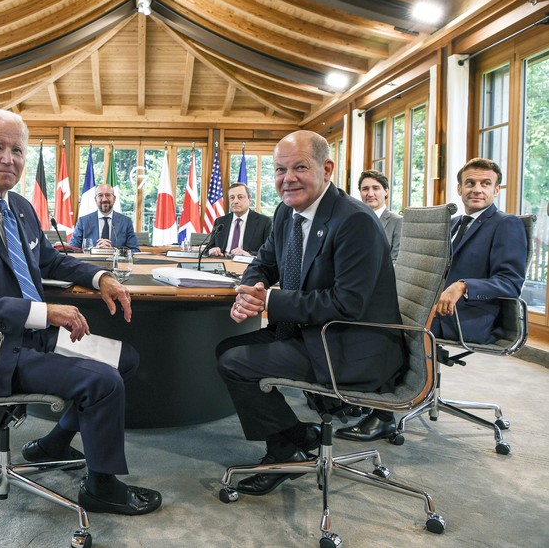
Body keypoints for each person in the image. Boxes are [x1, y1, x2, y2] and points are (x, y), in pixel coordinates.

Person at [0, 109, 161, 516]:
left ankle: (53, 443)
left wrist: (100, 277)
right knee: (102, 381)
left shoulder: (21, 208)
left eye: (17, 150)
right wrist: (43, 312)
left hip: (24, 340)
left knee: (125, 360)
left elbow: (52, 261)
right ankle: (103, 488)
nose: (9, 159)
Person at [214, 130, 405, 496]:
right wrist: (251, 289)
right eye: (280, 170)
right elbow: (263, 261)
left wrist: (269, 301)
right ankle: (299, 436)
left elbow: (347, 304)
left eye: (300, 167)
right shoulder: (288, 212)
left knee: (237, 363)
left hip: (351, 344)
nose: (288, 179)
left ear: (327, 169)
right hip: (310, 331)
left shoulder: (355, 221)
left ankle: (283, 452)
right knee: (226, 351)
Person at [337, 158, 527, 441]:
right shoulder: (451, 224)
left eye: (485, 184)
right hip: (435, 308)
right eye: (470, 183)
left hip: (472, 316)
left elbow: (511, 282)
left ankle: (384, 415)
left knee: (392, 329)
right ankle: (357, 393)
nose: (477, 189)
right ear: (459, 188)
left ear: (496, 190)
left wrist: (463, 286)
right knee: (366, 313)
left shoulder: (505, 224)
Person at [206, 182, 272, 257]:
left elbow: (269, 251)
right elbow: (209, 248)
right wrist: (212, 250)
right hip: (222, 262)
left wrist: (248, 254)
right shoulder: (220, 221)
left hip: (248, 264)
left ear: (250, 200)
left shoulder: (264, 222)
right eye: (232, 197)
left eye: (240, 197)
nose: (235, 201)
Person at [69, 184, 140, 252]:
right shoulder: (83, 222)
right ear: (95, 199)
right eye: (100, 195)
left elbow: (135, 250)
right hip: (90, 263)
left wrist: (115, 251)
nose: (104, 199)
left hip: (117, 263)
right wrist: (94, 250)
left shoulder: (126, 222)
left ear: (114, 198)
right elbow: (72, 249)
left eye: (108, 195)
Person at [358, 170, 402, 263]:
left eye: (375, 188)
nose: (370, 194)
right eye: (365, 189)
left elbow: (397, 261)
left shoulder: (398, 222)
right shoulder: (354, 221)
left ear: (386, 191)